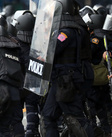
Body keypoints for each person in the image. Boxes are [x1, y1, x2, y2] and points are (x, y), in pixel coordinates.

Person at [41, 0, 94, 136]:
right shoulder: (69, 29)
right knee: (49, 115)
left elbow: (54, 49)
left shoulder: (67, 32)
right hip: (60, 80)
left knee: (77, 118)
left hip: (66, 81)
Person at [81, 5, 112, 137]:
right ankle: (106, 129)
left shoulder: (93, 39)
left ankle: (97, 130)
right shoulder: (103, 37)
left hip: (93, 79)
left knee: (93, 109)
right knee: (104, 107)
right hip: (102, 78)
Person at [12, 11, 41, 137]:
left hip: (18, 82)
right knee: (32, 107)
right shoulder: (39, 44)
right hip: (33, 82)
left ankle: (21, 132)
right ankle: (31, 131)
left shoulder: (13, 43)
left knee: (17, 111)